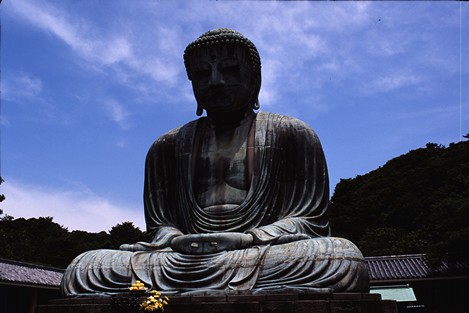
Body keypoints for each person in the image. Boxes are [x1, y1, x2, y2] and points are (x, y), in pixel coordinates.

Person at [61, 28, 369, 296]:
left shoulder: (291, 133)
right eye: (202, 74)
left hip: (260, 252)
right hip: (183, 258)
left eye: (230, 70)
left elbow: (308, 220)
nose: (216, 82)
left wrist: (247, 238)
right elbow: (162, 226)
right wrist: (176, 240)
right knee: (86, 267)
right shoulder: (166, 146)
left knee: (341, 259)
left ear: (254, 77)